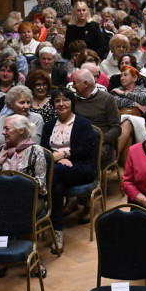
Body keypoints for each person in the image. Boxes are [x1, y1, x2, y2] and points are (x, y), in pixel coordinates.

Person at [41, 87, 101, 250]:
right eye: (57, 101)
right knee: (58, 186)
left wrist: (66, 154)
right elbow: (44, 149)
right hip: (58, 169)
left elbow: (87, 149)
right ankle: (57, 231)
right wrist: (58, 160)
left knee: (54, 176)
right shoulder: (48, 126)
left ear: (72, 102)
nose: (61, 104)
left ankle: (41, 204)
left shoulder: (83, 123)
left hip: (81, 168)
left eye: (65, 100)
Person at [0, 114, 48, 197]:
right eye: (3, 128)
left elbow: (40, 184)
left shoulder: (35, 150)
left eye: (7, 129)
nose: (3, 132)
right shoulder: (0, 150)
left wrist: (14, 188)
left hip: (29, 198)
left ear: (21, 130)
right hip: (3, 197)